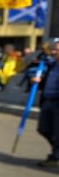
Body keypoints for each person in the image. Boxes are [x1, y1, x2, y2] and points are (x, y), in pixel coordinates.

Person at [33, 37, 59, 168]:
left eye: (57, 50)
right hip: (48, 100)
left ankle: (55, 156)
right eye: (54, 49)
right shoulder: (52, 65)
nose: (54, 52)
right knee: (43, 128)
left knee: (57, 131)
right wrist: (38, 81)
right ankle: (56, 151)